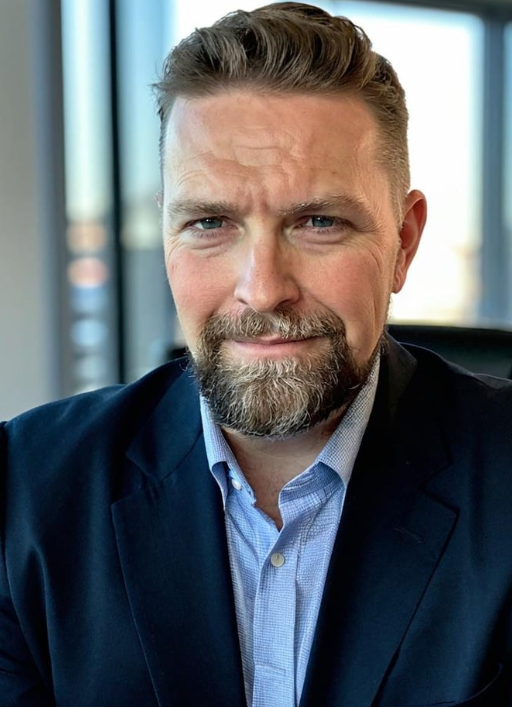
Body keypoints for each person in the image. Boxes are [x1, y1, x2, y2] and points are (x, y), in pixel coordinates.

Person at [1, 3, 511, 706]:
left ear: (405, 241)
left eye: (319, 221)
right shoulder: (21, 491)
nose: (263, 289)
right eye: (210, 222)